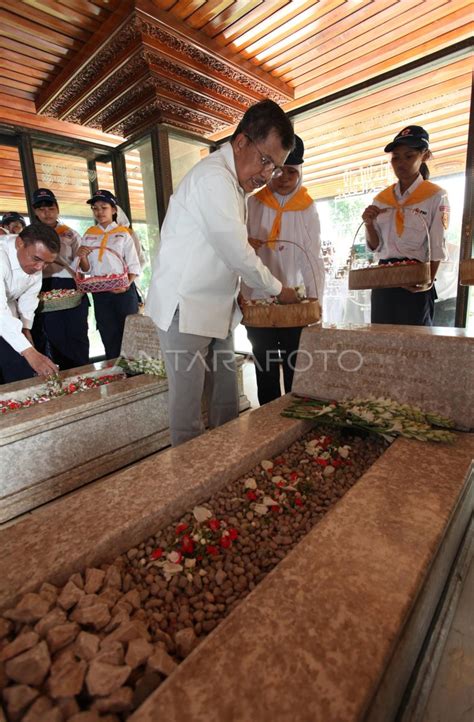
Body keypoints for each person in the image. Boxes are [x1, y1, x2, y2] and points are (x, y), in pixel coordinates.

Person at [146, 99, 298, 446]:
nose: (266, 175)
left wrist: (238, 294)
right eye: (266, 161)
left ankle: (225, 468)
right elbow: (235, 250)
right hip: (185, 307)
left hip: (217, 306)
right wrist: (279, 289)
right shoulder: (213, 177)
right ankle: (192, 485)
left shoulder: (233, 182)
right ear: (242, 141)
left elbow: (217, 249)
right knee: (187, 412)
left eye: (274, 168)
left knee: (226, 401)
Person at [241, 134, 325, 405]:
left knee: (294, 363)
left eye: (292, 171)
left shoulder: (307, 207)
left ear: (300, 171)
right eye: (279, 170)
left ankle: (292, 413)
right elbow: (239, 251)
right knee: (264, 362)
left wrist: (316, 300)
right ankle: (267, 418)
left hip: (294, 301)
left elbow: (311, 257)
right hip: (259, 300)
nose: (286, 177)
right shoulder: (253, 203)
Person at [362, 125, 449, 326]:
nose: (400, 163)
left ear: (424, 156)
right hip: (383, 279)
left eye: (408, 156)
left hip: (415, 279)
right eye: (395, 158)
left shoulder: (435, 196)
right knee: (382, 344)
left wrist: (427, 282)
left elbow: (437, 245)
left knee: (415, 346)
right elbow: (376, 247)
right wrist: (368, 224)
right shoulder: (381, 199)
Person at [30, 188, 89, 370]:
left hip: (70, 286)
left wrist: (80, 258)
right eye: (41, 209)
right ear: (35, 212)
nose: (46, 213)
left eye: (50, 208)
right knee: (54, 336)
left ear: (57, 208)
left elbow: (84, 267)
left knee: (77, 332)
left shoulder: (70, 234)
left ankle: (83, 373)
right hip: (44, 287)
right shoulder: (30, 235)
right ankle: (63, 376)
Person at [78, 190, 140, 360]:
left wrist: (126, 284)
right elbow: (86, 269)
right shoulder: (89, 234)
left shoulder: (123, 233)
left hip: (124, 289)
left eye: (104, 207)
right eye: (95, 208)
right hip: (100, 292)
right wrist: (82, 256)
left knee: (129, 331)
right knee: (108, 331)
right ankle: (116, 371)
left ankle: (135, 373)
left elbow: (134, 264)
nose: (99, 212)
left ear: (113, 210)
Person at [0, 223, 60, 383]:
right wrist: (29, 352)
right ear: (19, 243)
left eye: (47, 263)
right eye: (36, 259)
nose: (40, 267)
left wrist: (25, 329)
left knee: (18, 366)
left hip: (6, 310)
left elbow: (29, 297)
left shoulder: (37, 262)